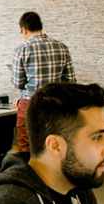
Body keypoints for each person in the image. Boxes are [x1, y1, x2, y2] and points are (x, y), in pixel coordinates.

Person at [11, 12, 75, 152]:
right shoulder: (62, 47)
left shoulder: (22, 49)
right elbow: (70, 81)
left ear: (24, 29)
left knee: (25, 144)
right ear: (40, 26)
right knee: (53, 143)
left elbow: (18, 82)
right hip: (55, 104)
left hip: (30, 103)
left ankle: (26, 165)